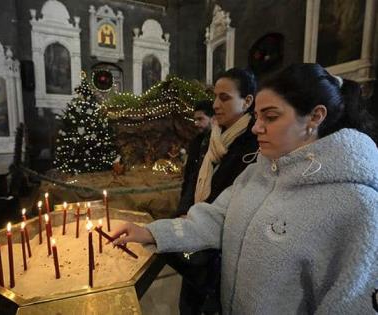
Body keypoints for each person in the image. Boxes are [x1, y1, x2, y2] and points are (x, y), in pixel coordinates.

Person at [111, 63, 378, 314]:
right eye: (257, 116)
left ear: (315, 117)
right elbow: (216, 218)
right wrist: (149, 232)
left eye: (270, 117)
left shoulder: (357, 204)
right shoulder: (257, 171)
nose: (256, 127)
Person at [171, 68, 259, 315]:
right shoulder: (203, 141)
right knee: (188, 304)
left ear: (248, 101)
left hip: (224, 247)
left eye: (225, 97)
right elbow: (190, 183)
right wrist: (183, 213)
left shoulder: (255, 144)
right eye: (215, 96)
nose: (216, 104)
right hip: (193, 236)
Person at [176, 99, 214, 217]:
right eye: (195, 119)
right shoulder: (196, 142)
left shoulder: (219, 144)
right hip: (191, 199)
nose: (196, 123)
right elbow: (190, 176)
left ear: (212, 118)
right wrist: (182, 207)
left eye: (200, 119)